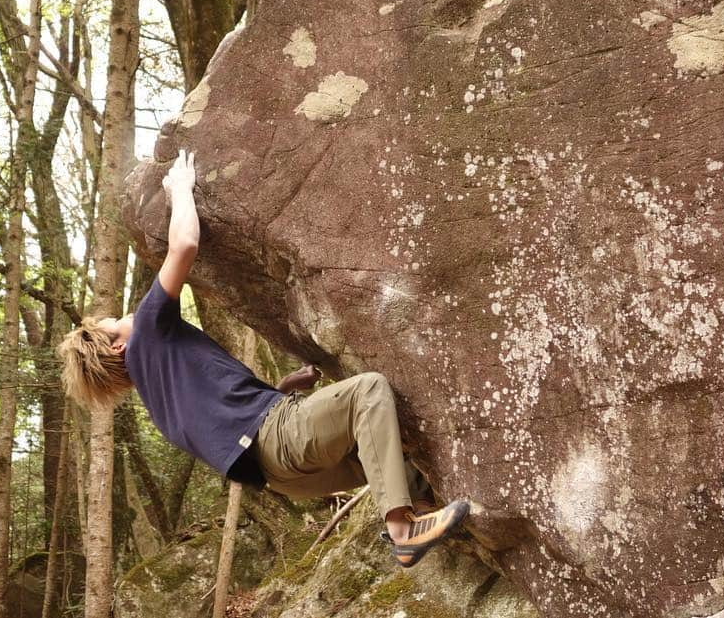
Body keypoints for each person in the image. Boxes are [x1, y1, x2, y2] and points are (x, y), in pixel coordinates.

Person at [57, 149, 469, 567]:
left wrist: (283, 389)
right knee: (369, 391)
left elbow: (230, 424)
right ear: (116, 347)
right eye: (114, 322)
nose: (125, 315)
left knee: (400, 461)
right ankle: (402, 530)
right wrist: (181, 190)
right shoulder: (147, 329)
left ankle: (425, 516)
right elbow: (184, 245)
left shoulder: (159, 397)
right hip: (279, 439)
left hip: (282, 478)